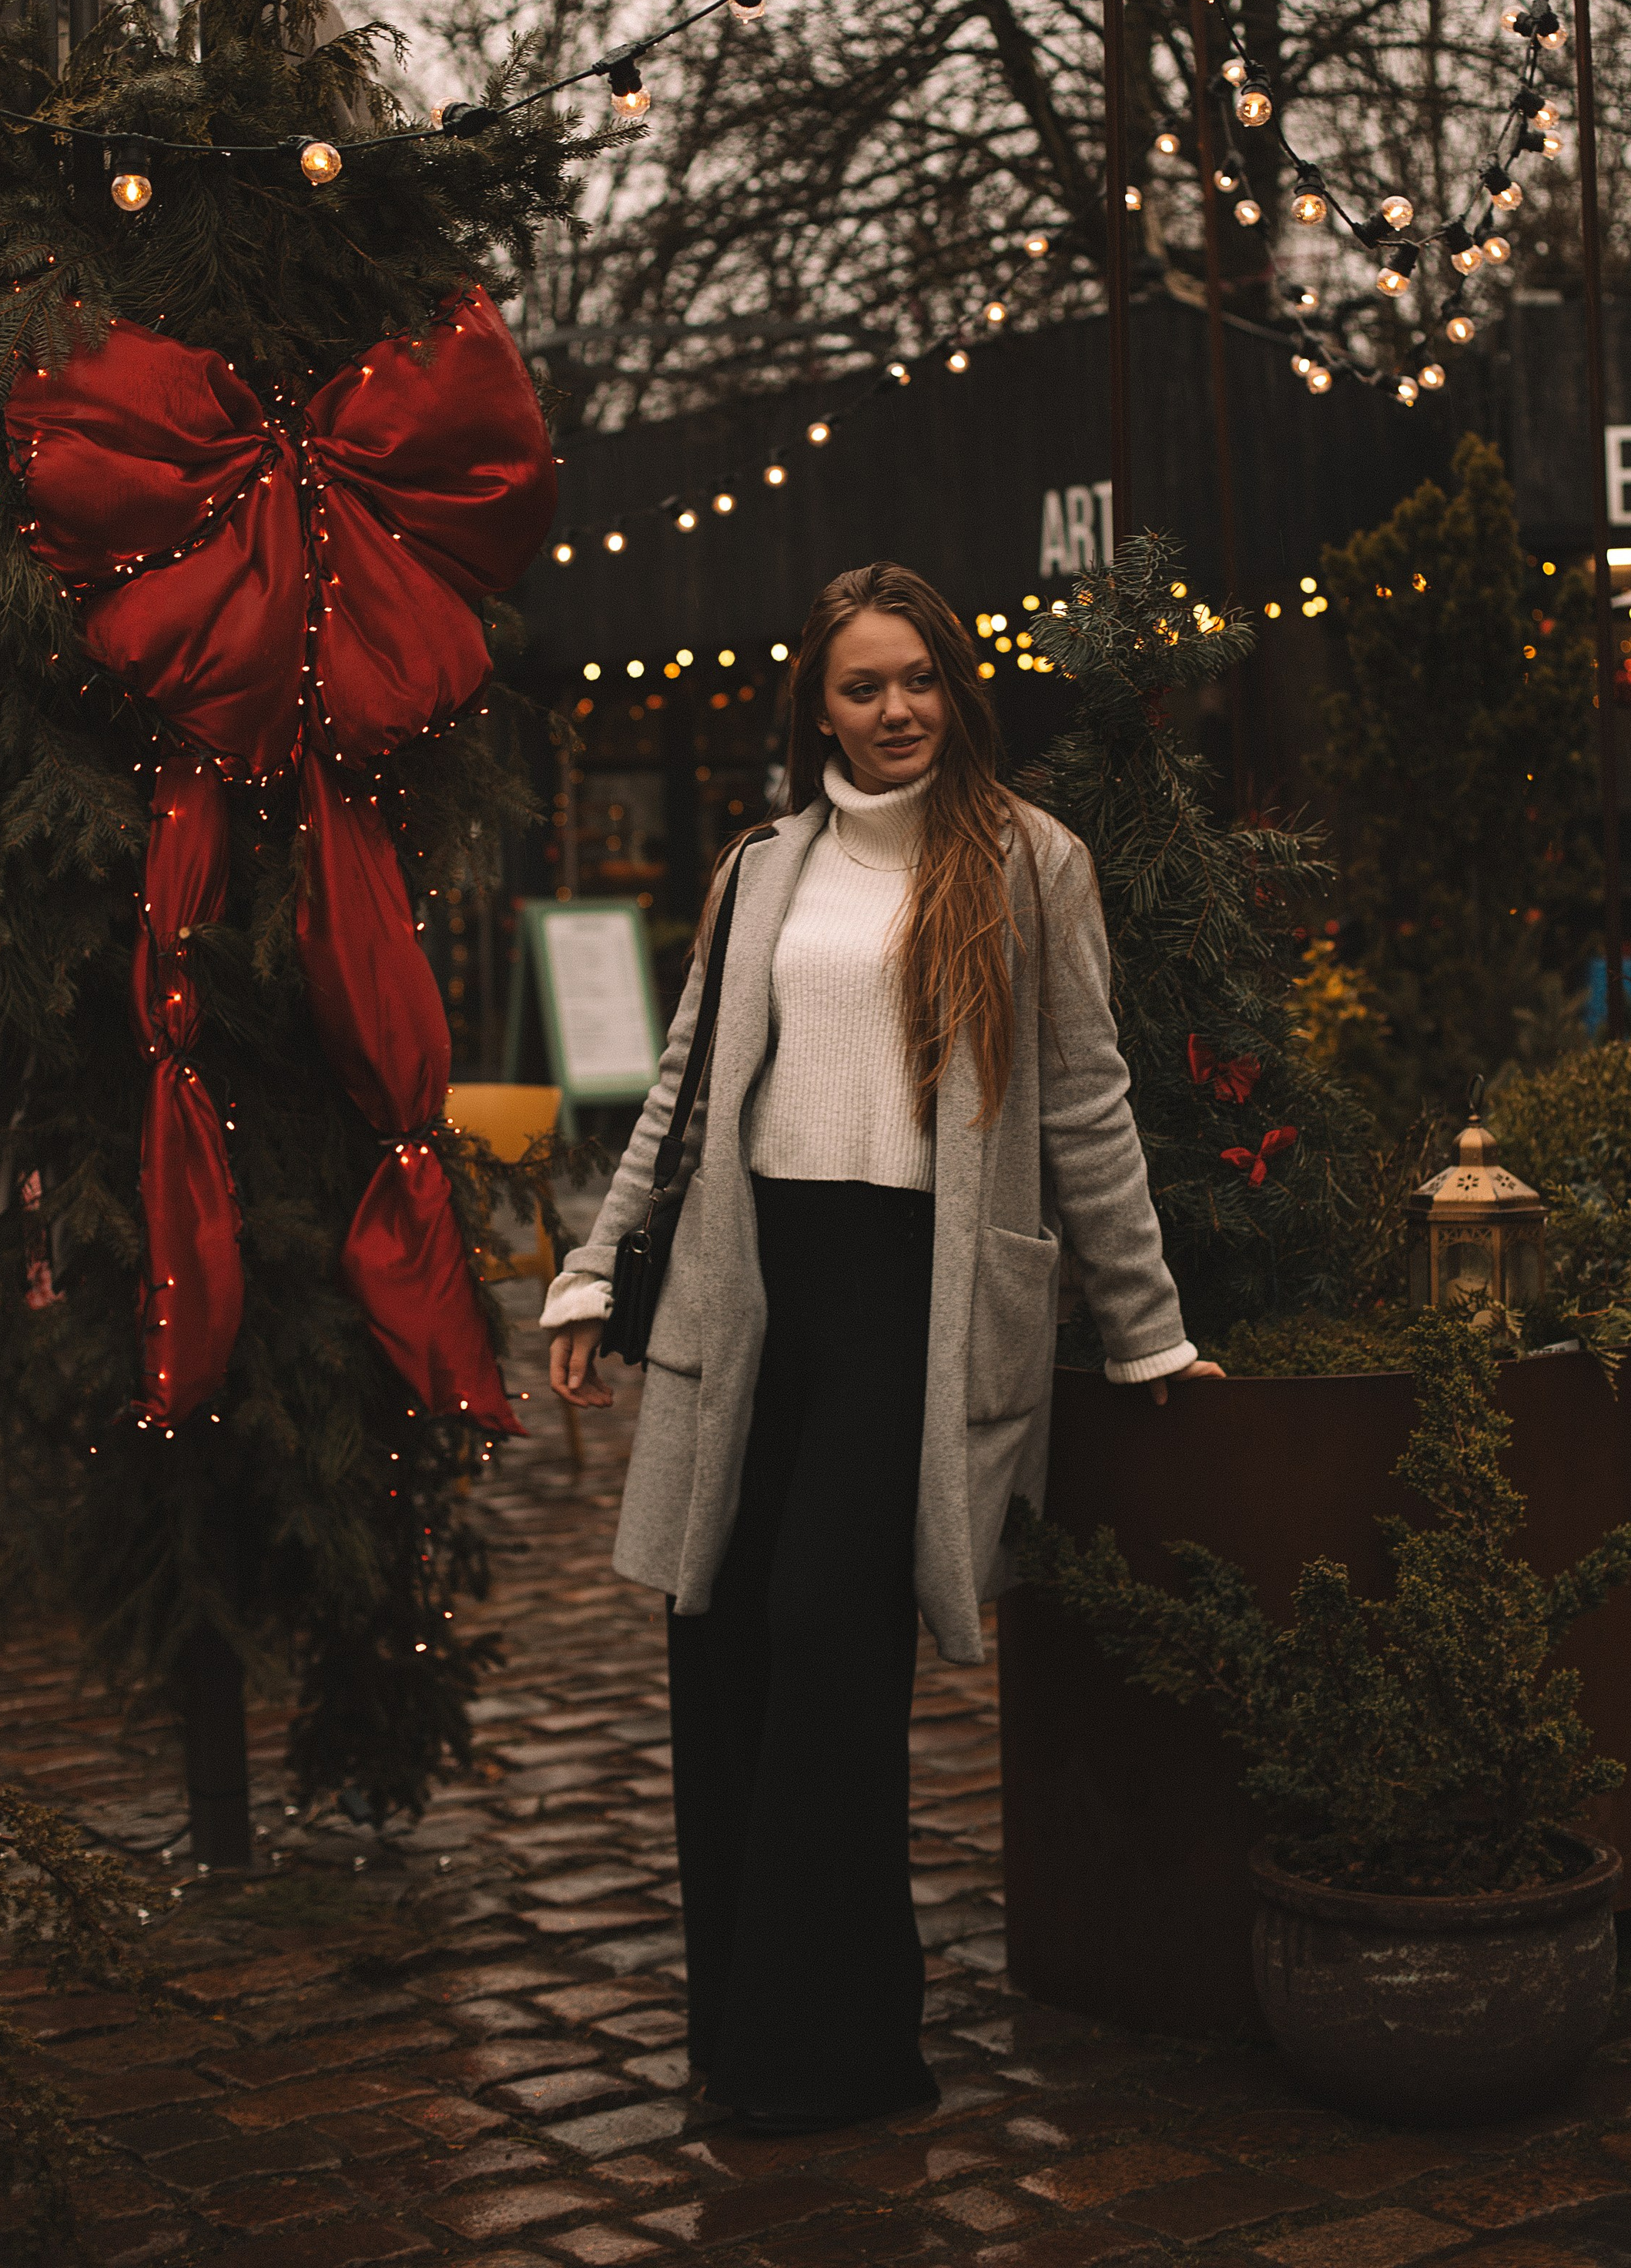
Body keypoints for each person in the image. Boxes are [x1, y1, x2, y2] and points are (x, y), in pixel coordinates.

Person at [541, 561, 1219, 2132]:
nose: (895, 709)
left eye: (917, 678)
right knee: (716, 1642)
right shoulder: (761, 866)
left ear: (955, 688)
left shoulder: (1028, 864)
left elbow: (1083, 1103)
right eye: (863, 685)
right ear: (815, 706)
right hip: (746, 1283)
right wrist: (590, 1273)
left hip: (908, 1300)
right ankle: (760, 2030)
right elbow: (682, 1091)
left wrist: (1146, 1328)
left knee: (824, 1634)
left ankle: (815, 2055)